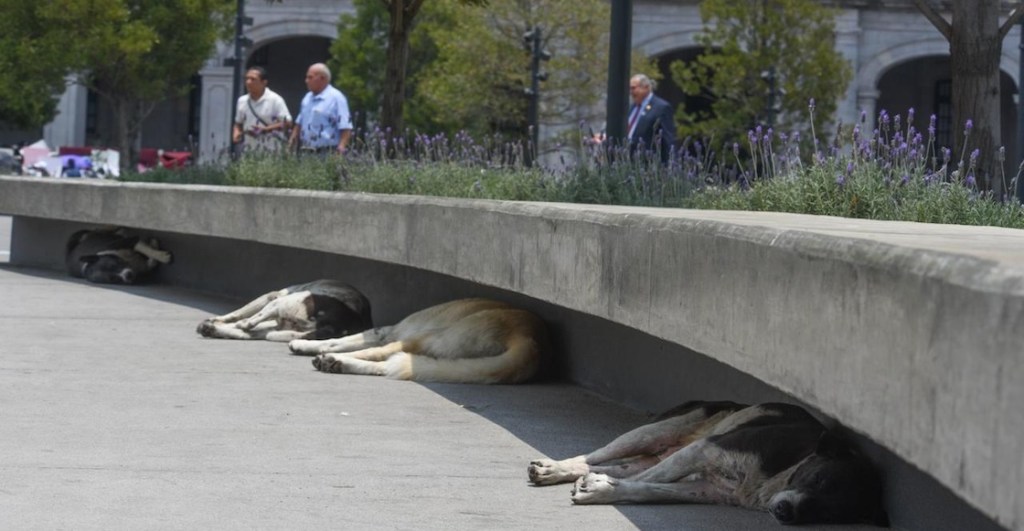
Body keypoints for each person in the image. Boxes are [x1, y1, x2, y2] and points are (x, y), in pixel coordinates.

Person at [290, 63, 352, 157]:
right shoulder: (307, 98)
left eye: (310, 77)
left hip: (327, 152)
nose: (306, 81)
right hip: (306, 151)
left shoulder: (336, 98)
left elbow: (345, 127)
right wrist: (292, 142)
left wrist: (341, 150)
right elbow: (299, 122)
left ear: (322, 78)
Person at [232, 66, 293, 155]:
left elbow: (288, 123)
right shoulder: (242, 100)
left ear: (264, 82)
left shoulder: (275, 100)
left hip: (272, 151)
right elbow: (238, 123)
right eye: (247, 79)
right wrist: (236, 133)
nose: (248, 82)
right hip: (249, 151)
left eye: (253, 79)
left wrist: (266, 129)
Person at [626, 74, 675, 164]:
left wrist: (669, 165)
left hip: (648, 164)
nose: (630, 92)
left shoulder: (661, 107)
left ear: (646, 87)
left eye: (633, 88)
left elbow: (667, 139)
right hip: (628, 161)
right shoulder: (632, 107)